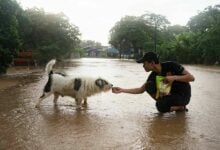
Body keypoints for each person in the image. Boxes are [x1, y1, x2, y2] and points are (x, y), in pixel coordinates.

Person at [112, 52, 195, 113]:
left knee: (162, 104)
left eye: (144, 63)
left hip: (183, 95)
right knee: (151, 89)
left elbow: (191, 78)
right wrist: (122, 90)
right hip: (169, 95)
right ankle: (169, 105)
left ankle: (181, 107)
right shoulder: (153, 75)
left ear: (152, 63)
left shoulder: (172, 65)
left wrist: (174, 78)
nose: (143, 66)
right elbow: (141, 90)